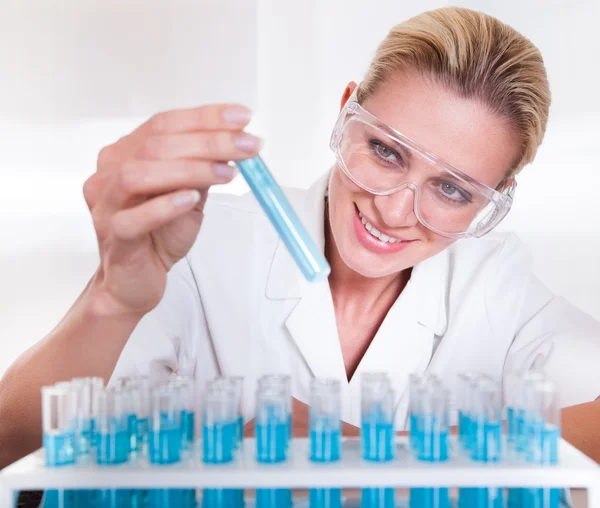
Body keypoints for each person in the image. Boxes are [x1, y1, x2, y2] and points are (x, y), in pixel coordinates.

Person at [0, 7, 599, 469]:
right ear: (346, 112)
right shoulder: (202, 246)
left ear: (496, 197)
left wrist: (328, 441)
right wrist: (113, 300)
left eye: (453, 190)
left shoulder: (496, 286)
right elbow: (12, 445)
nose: (395, 211)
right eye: (386, 152)